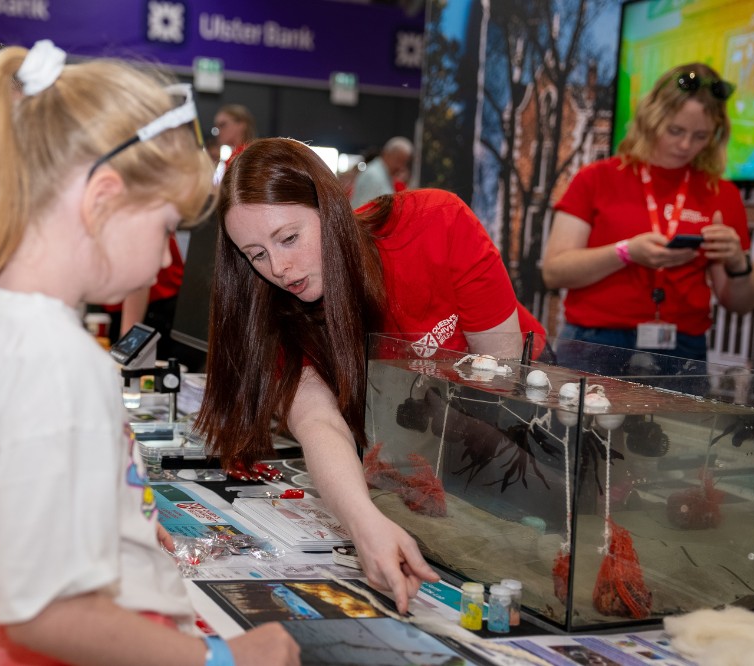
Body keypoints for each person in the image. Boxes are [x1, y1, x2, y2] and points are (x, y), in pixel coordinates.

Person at [0, 41, 299, 665]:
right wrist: (227, 660)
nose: (168, 255)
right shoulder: (53, 356)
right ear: (103, 199)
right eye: (166, 225)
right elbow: (50, 613)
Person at [196, 137, 543, 615]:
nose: (278, 268)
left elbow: (504, 381)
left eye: (289, 238)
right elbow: (318, 422)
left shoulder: (435, 223)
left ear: (330, 206)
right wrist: (364, 524)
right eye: (255, 254)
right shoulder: (277, 309)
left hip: (512, 429)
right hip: (413, 452)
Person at [543, 62, 754, 377]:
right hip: (595, 343)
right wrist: (627, 252)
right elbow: (554, 272)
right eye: (675, 130)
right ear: (651, 119)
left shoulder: (720, 193)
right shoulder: (597, 178)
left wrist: (738, 264)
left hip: (682, 352)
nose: (686, 145)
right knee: (580, 428)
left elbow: (738, 303)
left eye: (700, 136)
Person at [350, 136, 413, 208]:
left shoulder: (382, 173)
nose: (400, 167)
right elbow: (366, 212)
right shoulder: (374, 176)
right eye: (398, 160)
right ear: (386, 154)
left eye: (404, 162)